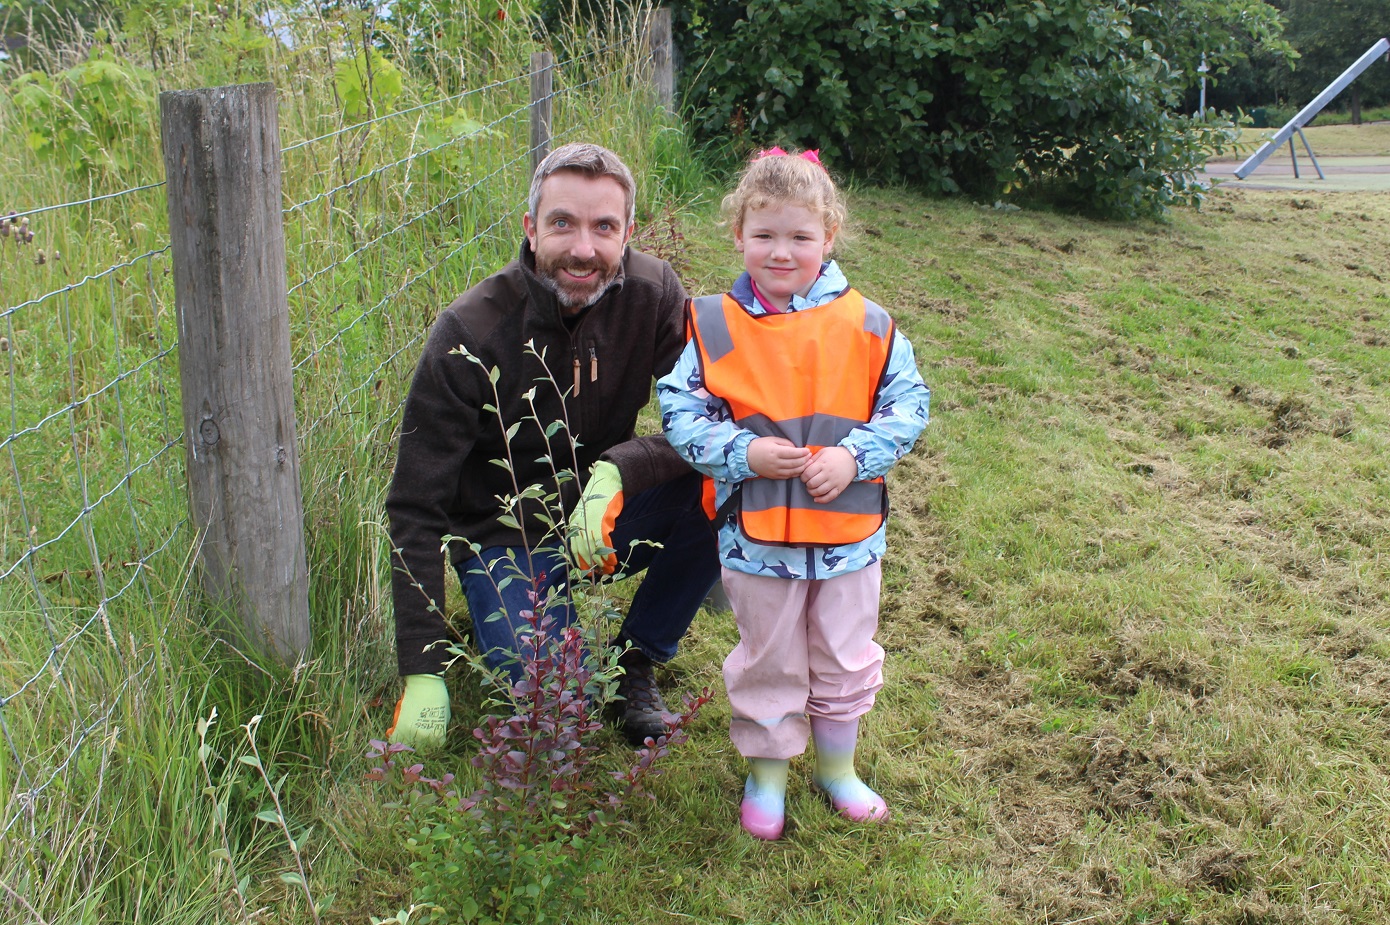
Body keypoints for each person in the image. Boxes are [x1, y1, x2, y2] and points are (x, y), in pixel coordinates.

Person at [385, 143, 720, 750]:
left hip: (604, 514)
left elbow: (714, 419)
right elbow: (415, 504)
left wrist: (619, 470)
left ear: (628, 234)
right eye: (562, 223)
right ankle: (517, 615)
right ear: (531, 229)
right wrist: (422, 666)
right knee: (560, 714)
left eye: (604, 227)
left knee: (725, 480)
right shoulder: (470, 331)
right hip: (504, 533)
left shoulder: (654, 293)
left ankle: (637, 658)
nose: (583, 249)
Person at [657, 147, 930, 840]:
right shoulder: (714, 324)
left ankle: (838, 769)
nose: (781, 252)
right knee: (769, 658)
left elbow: (909, 406)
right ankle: (768, 775)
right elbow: (680, 414)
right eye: (765, 234)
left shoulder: (871, 324)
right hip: (757, 541)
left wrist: (854, 455)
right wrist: (742, 452)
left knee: (845, 653)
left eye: (800, 236)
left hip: (850, 540)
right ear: (738, 234)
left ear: (829, 237)